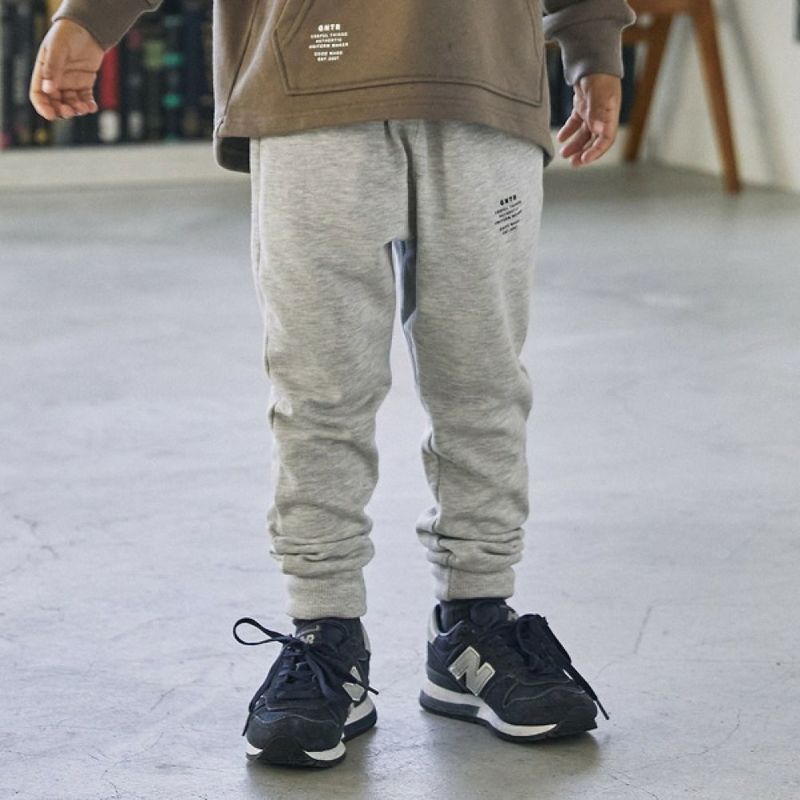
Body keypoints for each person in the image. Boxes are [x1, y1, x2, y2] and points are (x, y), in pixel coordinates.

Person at [31, 0, 637, 769]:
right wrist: (93, 15)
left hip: (486, 79)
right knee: (320, 382)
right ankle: (325, 633)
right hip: (308, 82)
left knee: (482, 374)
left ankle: (476, 622)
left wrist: (591, 34)